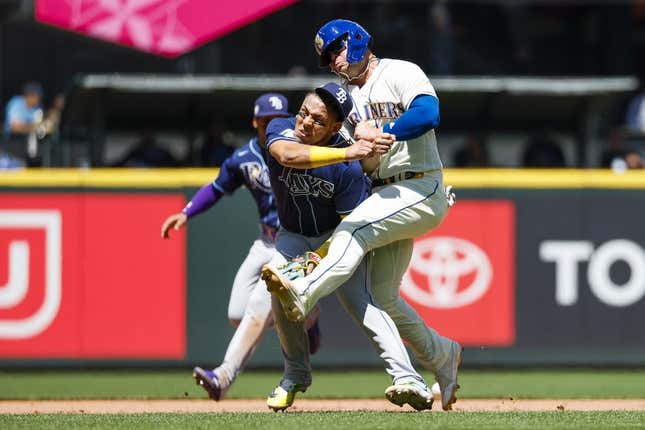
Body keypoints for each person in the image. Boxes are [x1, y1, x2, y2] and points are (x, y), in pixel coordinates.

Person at [262, 19, 462, 411]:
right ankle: (443, 354)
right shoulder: (347, 100)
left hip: (419, 185)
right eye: (327, 57)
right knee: (383, 297)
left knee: (352, 230)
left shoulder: (400, 71)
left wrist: (389, 128)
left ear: (356, 41)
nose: (334, 62)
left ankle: (302, 290)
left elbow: (428, 113)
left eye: (336, 50)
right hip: (385, 193)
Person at [161, 93, 321, 401]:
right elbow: (217, 187)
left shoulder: (301, 149)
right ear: (255, 123)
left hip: (295, 244)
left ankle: (222, 376)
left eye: (279, 119)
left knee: (259, 308)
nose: (272, 125)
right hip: (266, 240)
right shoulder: (244, 158)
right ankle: (307, 316)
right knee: (238, 313)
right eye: (266, 121)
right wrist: (186, 212)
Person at [2, 82, 49, 167]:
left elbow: (41, 128)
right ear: (29, 96)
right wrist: (35, 127)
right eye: (36, 97)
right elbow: (15, 127)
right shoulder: (17, 103)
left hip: (29, 151)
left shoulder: (37, 107)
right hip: (12, 148)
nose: (38, 99)